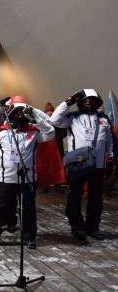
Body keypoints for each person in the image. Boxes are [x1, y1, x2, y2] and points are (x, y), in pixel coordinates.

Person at [0, 96, 55, 249]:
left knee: (28, 209)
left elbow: (50, 132)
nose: (19, 116)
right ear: (10, 113)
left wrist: (35, 113)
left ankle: (29, 237)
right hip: (6, 178)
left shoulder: (34, 131)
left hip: (28, 178)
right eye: (16, 113)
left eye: (22, 113)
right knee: (1, 207)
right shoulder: (1, 132)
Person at [50, 89, 112, 243]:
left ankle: (93, 227)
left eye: (92, 100)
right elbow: (54, 120)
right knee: (74, 197)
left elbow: (109, 140)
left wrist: (110, 156)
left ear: (98, 102)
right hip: (77, 165)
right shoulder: (72, 118)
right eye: (86, 100)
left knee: (96, 198)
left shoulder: (104, 120)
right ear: (80, 102)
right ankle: (77, 228)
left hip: (98, 166)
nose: (89, 102)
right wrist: (67, 102)